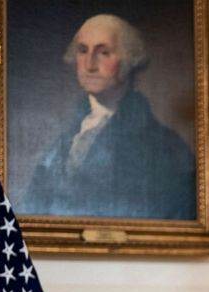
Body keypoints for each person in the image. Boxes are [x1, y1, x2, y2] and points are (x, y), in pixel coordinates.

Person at [13, 14, 196, 220]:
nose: (89, 64)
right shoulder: (64, 139)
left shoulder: (165, 148)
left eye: (103, 53)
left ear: (128, 61)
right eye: (83, 51)